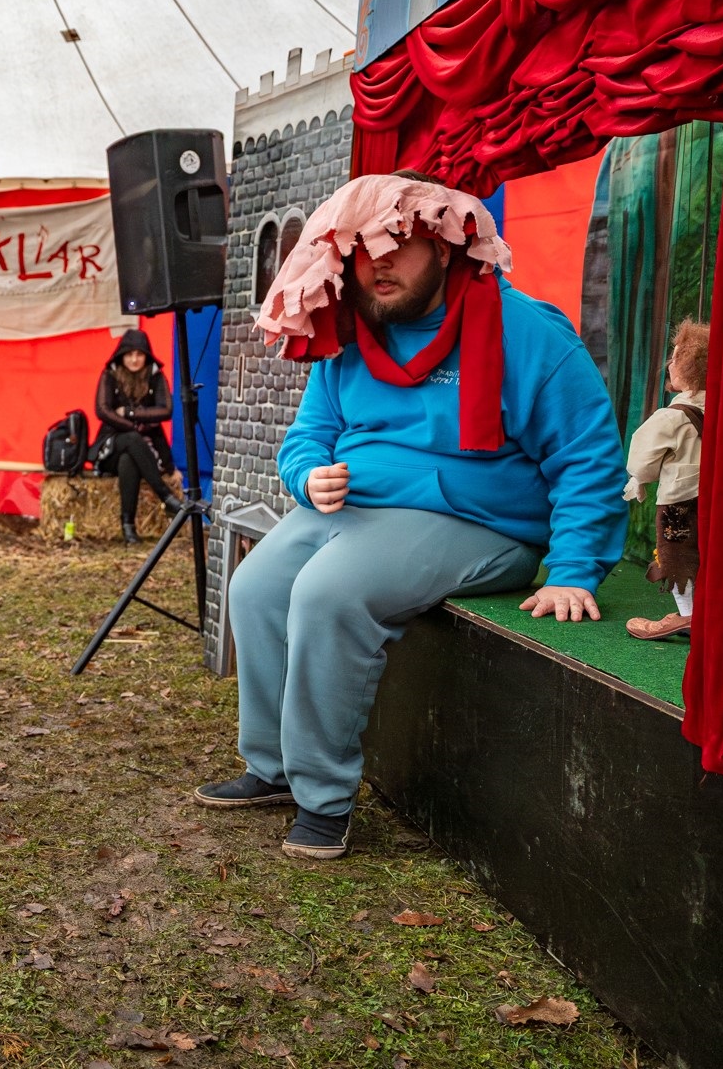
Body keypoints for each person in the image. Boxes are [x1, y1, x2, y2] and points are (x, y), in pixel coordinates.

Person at [194, 174, 626, 859]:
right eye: (362, 250)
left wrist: (575, 568)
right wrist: (308, 476)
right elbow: (307, 436)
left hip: (479, 523)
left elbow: (588, 456)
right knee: (254, 587)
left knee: (329, 593)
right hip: (354, 509)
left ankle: (323, 800)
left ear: (449, 247)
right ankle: (272, 768)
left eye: (399, 245)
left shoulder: (529, 332)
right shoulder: (353, 332)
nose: (379, 264)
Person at [623, 320, 710, 641]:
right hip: (719, 501)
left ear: (686, 368)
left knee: (676, 556)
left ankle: (689, 616)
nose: (670, 364)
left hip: (679, 504)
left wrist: (640, 479)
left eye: (675, 358)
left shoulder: (670, 417)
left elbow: (642, 462)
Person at [93, 329, 184, 543]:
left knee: (130, 459)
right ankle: (165, 496)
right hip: (109, 450)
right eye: (129, 354)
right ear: (122, 355)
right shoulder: (110, 375)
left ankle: (128, 526)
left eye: (139, 354)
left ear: (146, 356)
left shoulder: (155, 376)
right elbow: (102, 410)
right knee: (132, 439)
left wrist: (130, 413)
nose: (134, 359)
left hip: (137, 451)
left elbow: (166, 411)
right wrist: (133, 426)